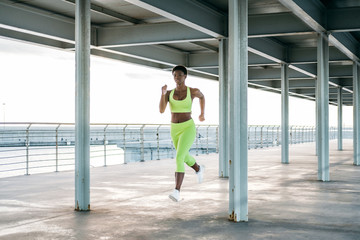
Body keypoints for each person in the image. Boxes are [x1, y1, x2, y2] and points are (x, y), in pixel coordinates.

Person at [159, 65, 205, 202]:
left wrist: (202, 113)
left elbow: (202, 97)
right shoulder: (169, 93)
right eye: (174, 75)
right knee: (184, 156)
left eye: (179, 75)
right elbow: (161, 110)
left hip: (188, 127)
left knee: (179, 157)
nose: (176, 77)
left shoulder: (193, 91)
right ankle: (198, 168)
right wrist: (162, 94)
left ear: (185, 76)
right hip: (174, 128)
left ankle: (177, 191)